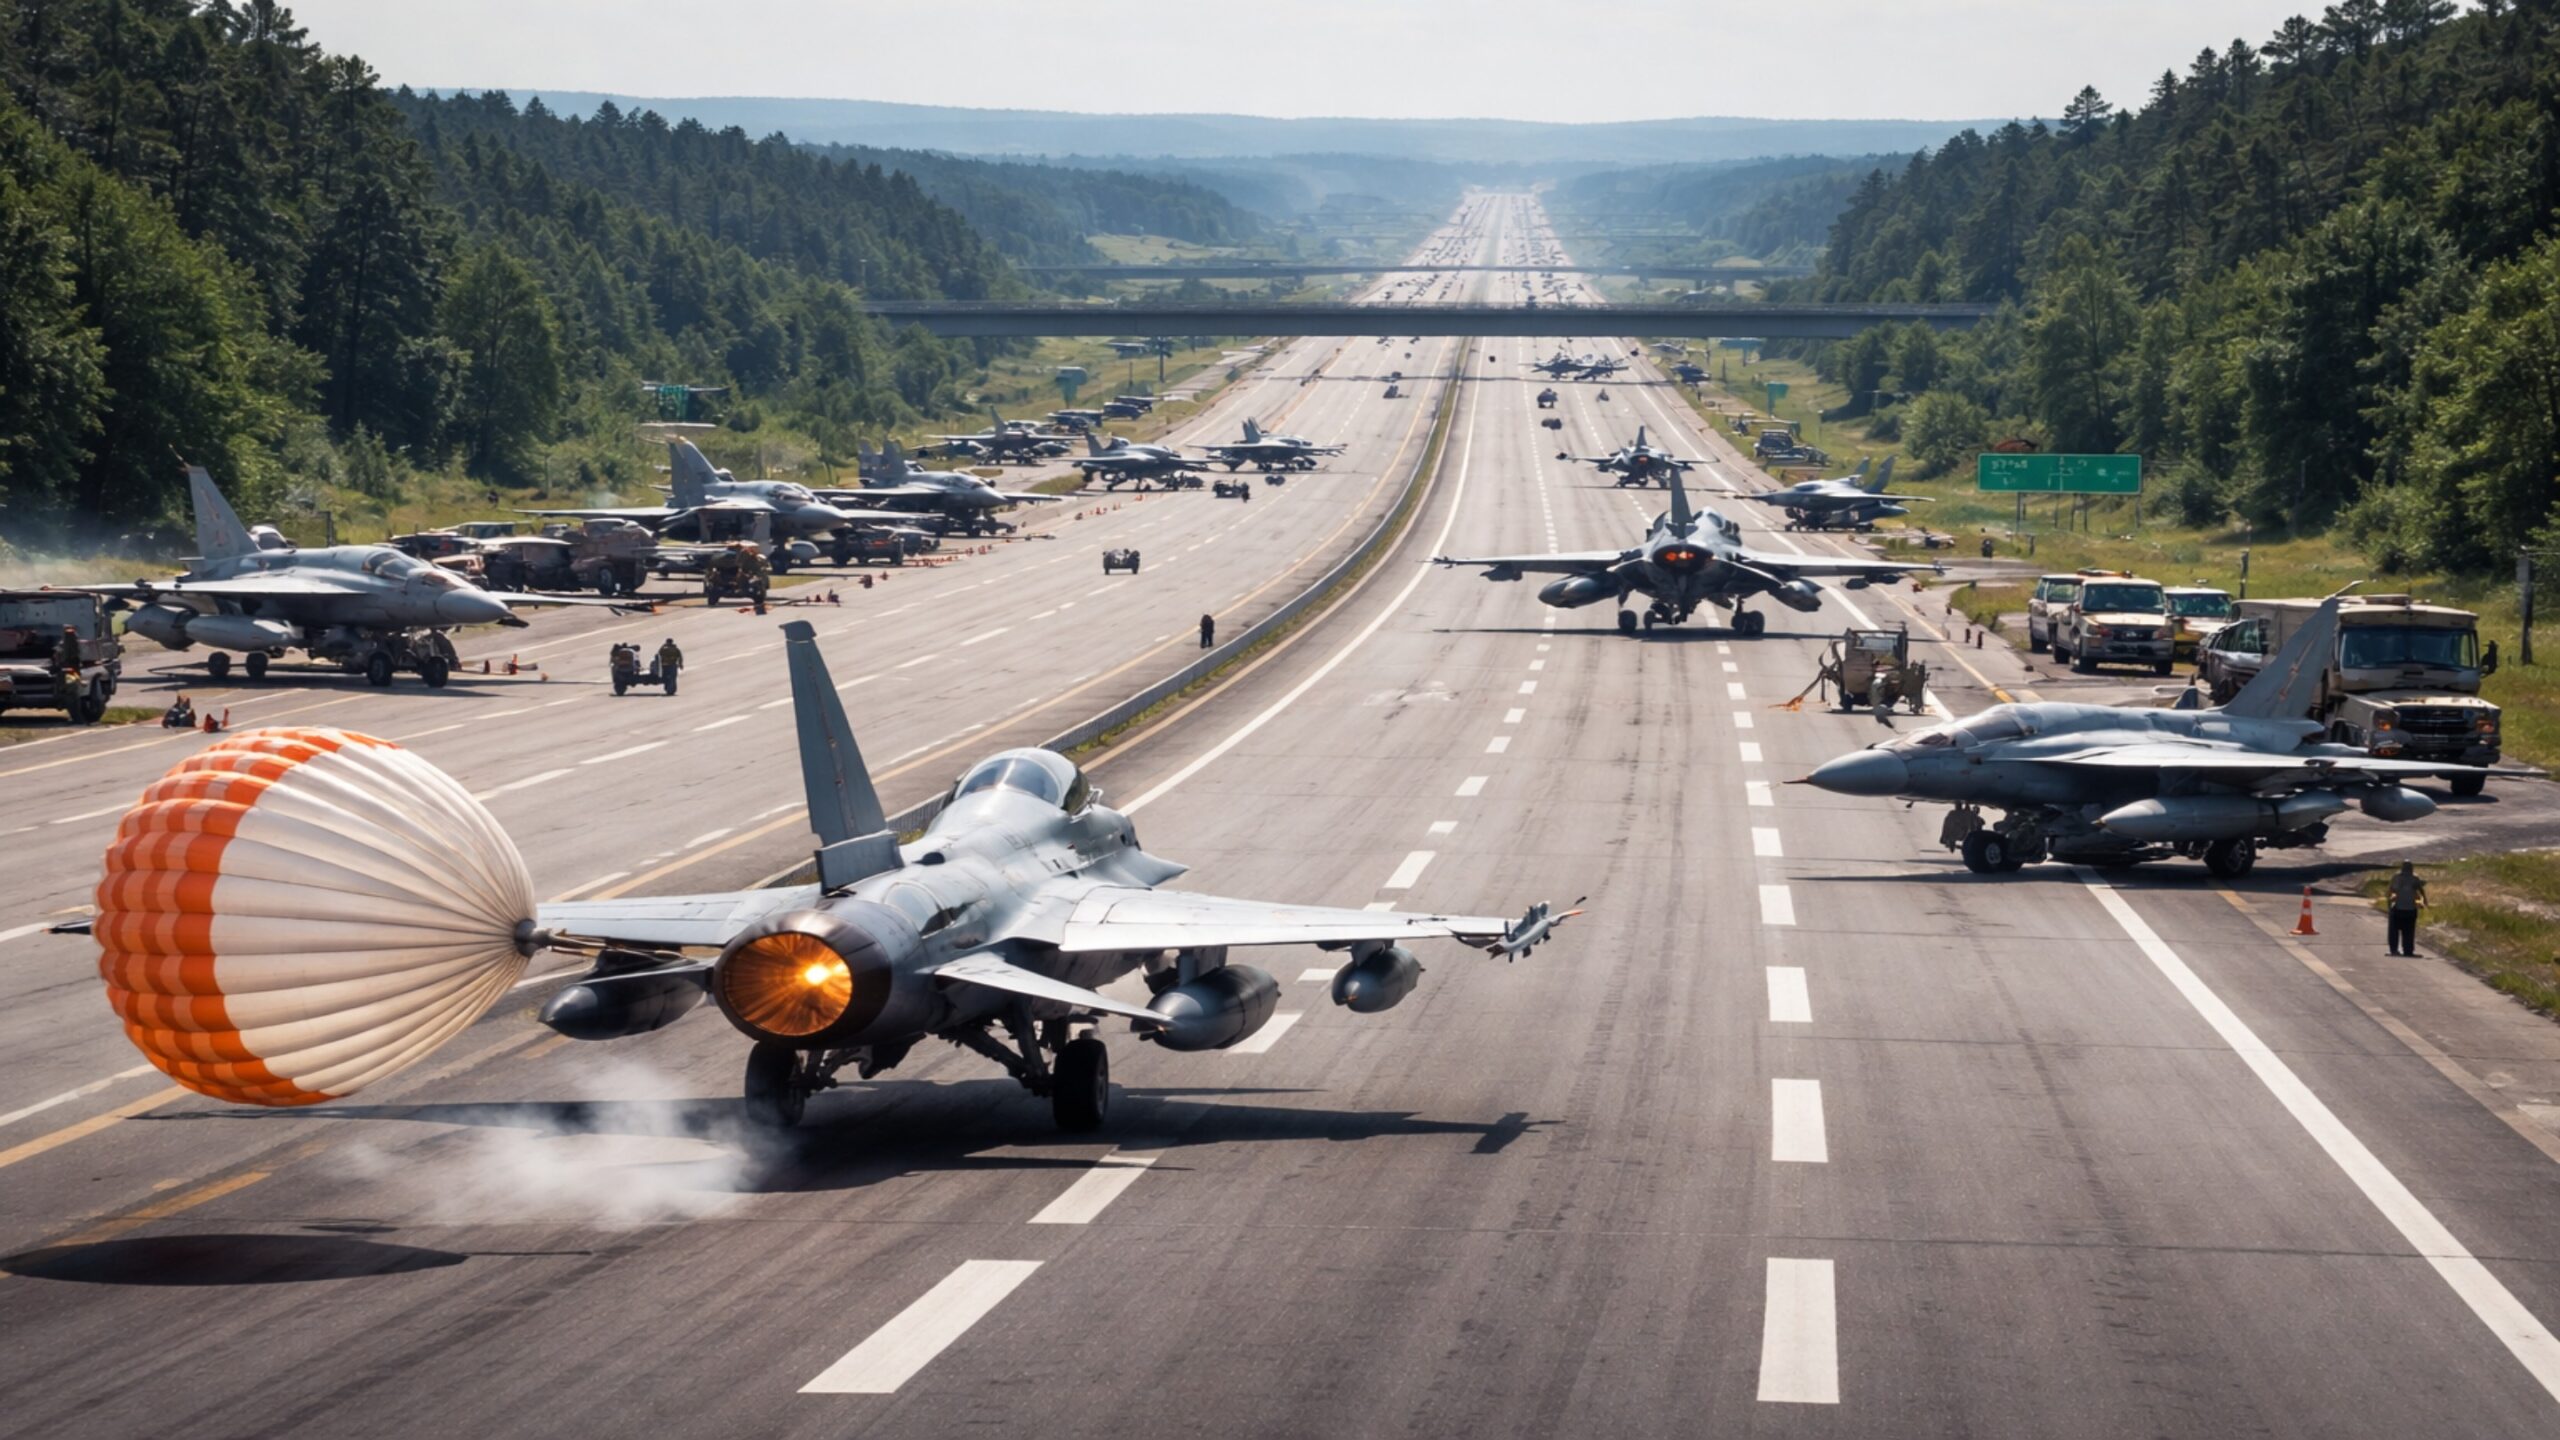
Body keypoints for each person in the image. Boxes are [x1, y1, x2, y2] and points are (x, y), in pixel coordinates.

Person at [2385, 861, 2428, 956]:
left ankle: (2394, 950)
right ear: (2411, 869)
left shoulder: (2396, 877)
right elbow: (2421, 890)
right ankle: (2408, 951)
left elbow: (2390, 892)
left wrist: (2389, 905)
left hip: (2397, 909)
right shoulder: (2415, 878)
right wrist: (2425, 901)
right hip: (2410, 910)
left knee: (2393, 932)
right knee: (2409, 931)